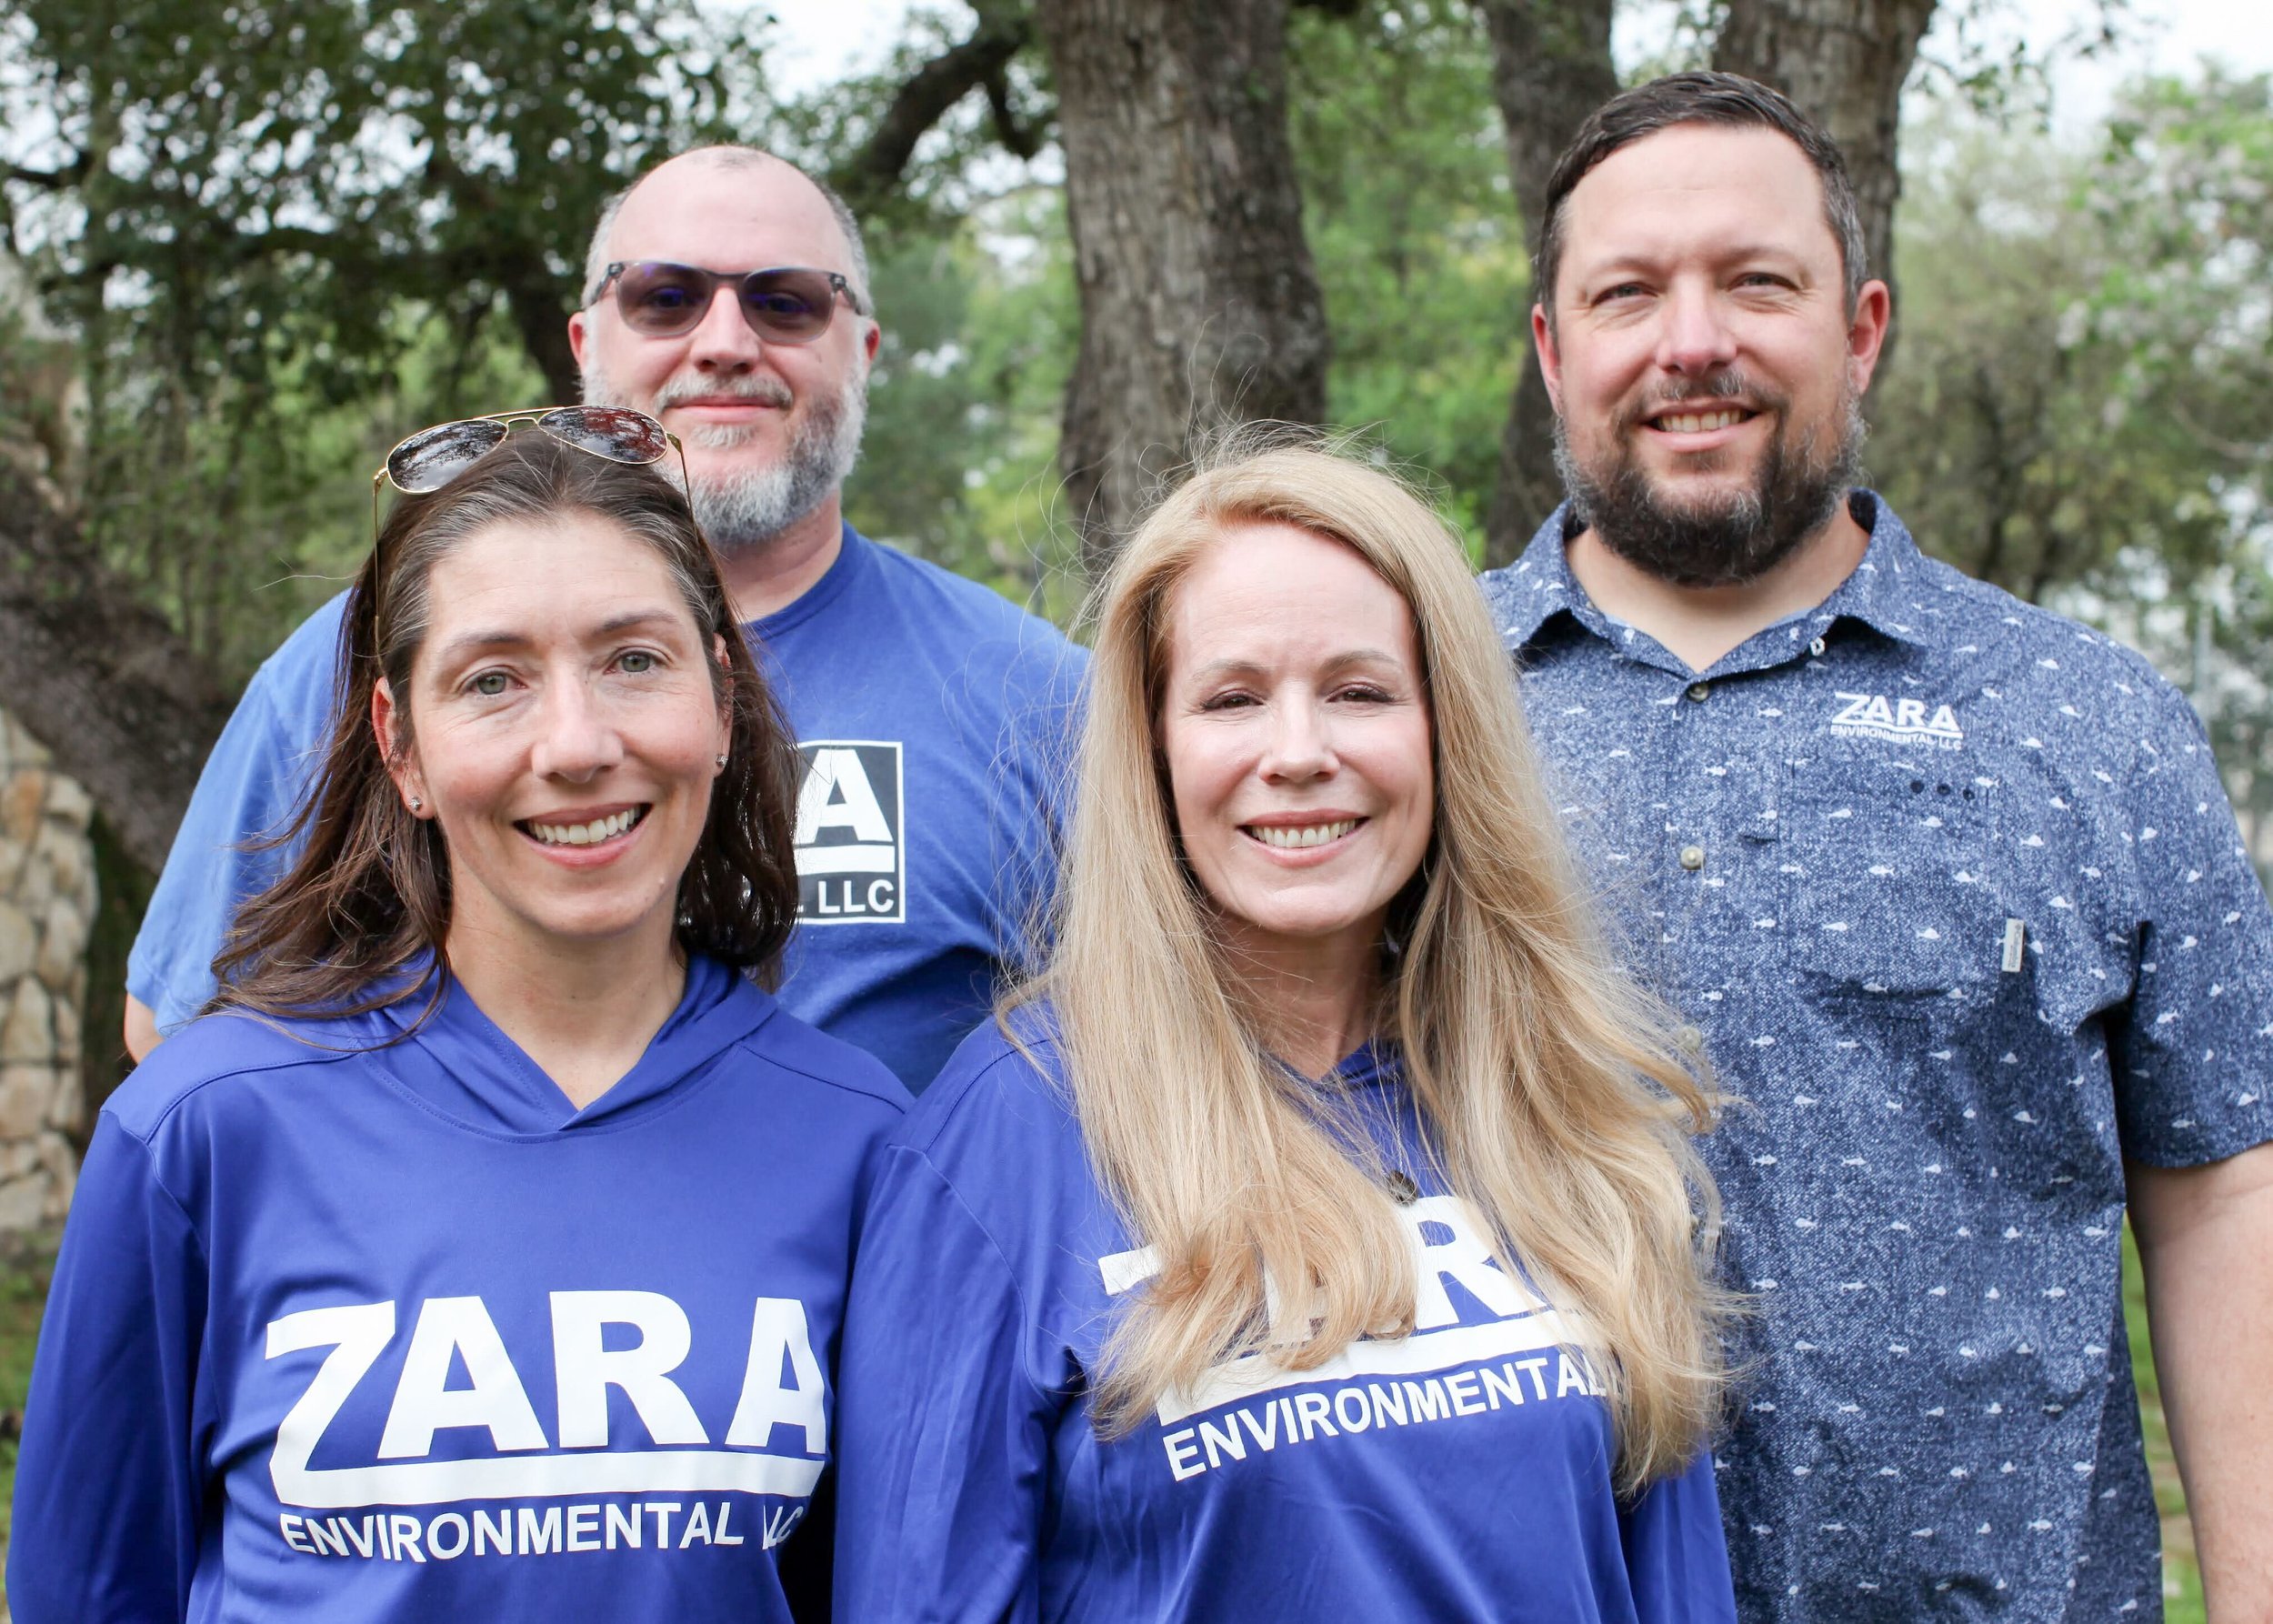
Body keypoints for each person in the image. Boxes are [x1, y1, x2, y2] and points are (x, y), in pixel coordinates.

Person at [1477, 71, 2273, 1621]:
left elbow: (2226, 1194)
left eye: (1756, 281)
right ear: (1556, 350)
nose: (1691, 340)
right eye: (1629, 292)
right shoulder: (1414, 720)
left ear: (1862, 326)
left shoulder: (2089, 719)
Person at [9, 423, 907, 1621]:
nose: (579, 743)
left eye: (635, 660)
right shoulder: (199, 1132)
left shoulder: (862, 1143)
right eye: (492, 680)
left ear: (723, 702)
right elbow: (89, 1592)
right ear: (403, 747)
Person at [832, 445, 1739, 1622]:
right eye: (1232, 696)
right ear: (1153, 747)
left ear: (1443, 730)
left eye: (1360, 691)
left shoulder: (1561, 1104)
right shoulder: (1004, 1142)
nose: (1299, 750)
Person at [125, 146, 1082, 1093]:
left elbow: (1160, 1046)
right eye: (665, 297)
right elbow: (182, 1034)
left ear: (862, 351)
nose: (723, 342)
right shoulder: (368, 658)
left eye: (784, 301)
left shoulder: (1038, 695)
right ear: (586, 344)